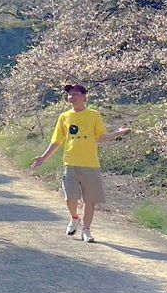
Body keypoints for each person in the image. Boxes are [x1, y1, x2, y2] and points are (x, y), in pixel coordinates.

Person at [30, 84, 130, 243]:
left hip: (91, 164)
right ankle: (74, 217)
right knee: (70, 197)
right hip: (70, 163)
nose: (72, 97)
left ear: (84, 97)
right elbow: (56, 141)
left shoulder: (93, 115)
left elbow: (101, 137)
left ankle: (86, 230)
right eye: (70, 94)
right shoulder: (64, 117)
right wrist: (43, 158)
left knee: (90, 200)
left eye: (76, 94)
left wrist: (119, 133)